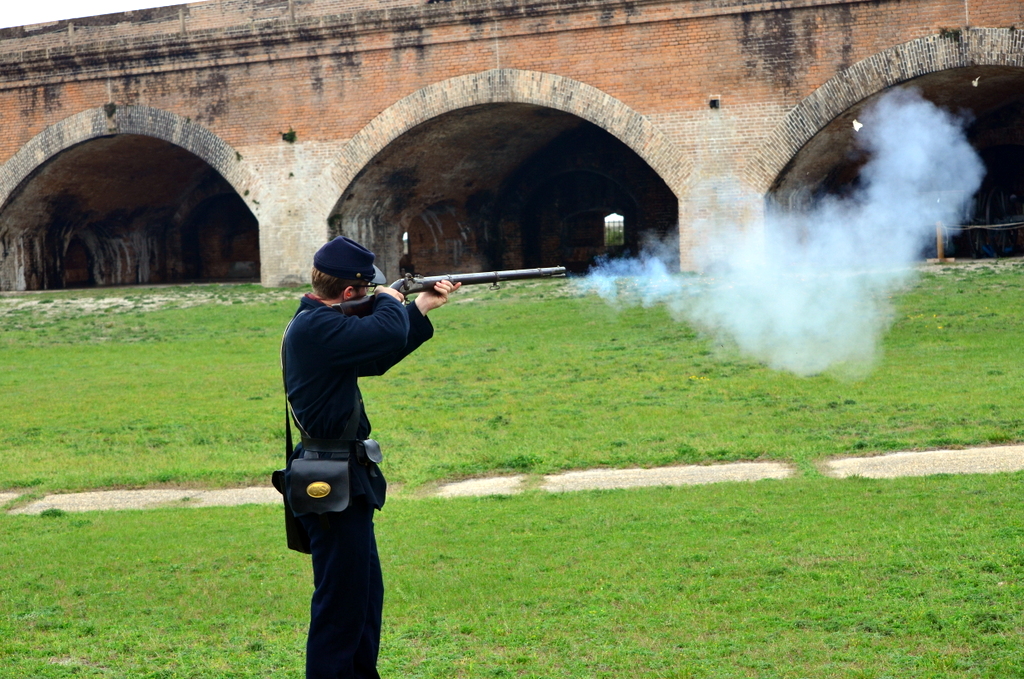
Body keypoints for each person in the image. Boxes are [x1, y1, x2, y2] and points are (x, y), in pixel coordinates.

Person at [282, 236, 458, 679]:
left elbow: (377, 354)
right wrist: (392, 298)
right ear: (349, 293)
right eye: (365, 290)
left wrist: (416, 309)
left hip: (343, 474)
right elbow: (382, 329)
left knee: (361, 598)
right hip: (329, 477)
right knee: (340, 606)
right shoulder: (315, 327)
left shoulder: (324, 324)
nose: (369, 295)